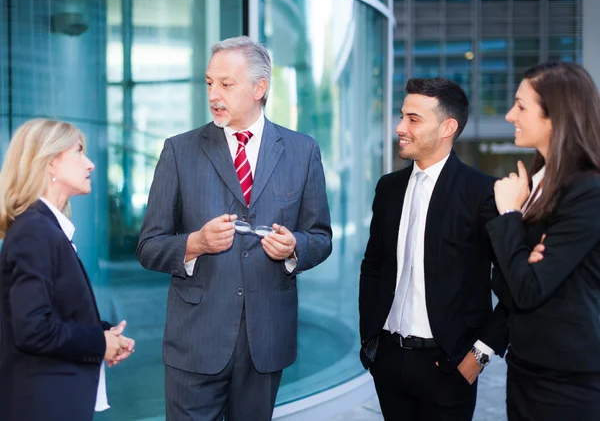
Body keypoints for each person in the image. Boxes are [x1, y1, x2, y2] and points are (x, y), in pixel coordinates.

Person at [136, 35, 332, 421]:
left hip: (266, 340)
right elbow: (148, 245)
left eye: (227, 84)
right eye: (210, 82)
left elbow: (320, 237)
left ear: (260, 88)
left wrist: (294, 248)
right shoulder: (179, 151)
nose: (214, 94)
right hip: (195, 340)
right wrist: (194, 243)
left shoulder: (302, 150)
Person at [359, 77, 509, 420]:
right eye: (402, 116)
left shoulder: (483, 192)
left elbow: (514, 283)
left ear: (447, 127)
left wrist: (479, 357)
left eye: (413, 119)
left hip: (450, 366)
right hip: (389, 361)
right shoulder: (389, 188)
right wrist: (370, 341)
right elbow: (373, 267)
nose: (400, 127)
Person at [0, 119, 135, 421]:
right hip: (43, 404)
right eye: (78, 152)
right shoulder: (35, 230)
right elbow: (32, 329)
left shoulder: (43, 228)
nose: (90, 164)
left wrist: (103, 335)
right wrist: (99, 343)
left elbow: (53, 313)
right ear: (50, 163)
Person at [487, 61, 600, 421]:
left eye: (521, 106)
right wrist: (520, 252)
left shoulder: (588, 191)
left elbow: (527, 289)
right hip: (526, 367)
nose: (508, 115)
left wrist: (509, 216)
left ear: (556, 116)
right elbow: (507, 283)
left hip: (567, 380)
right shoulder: (538, 184)